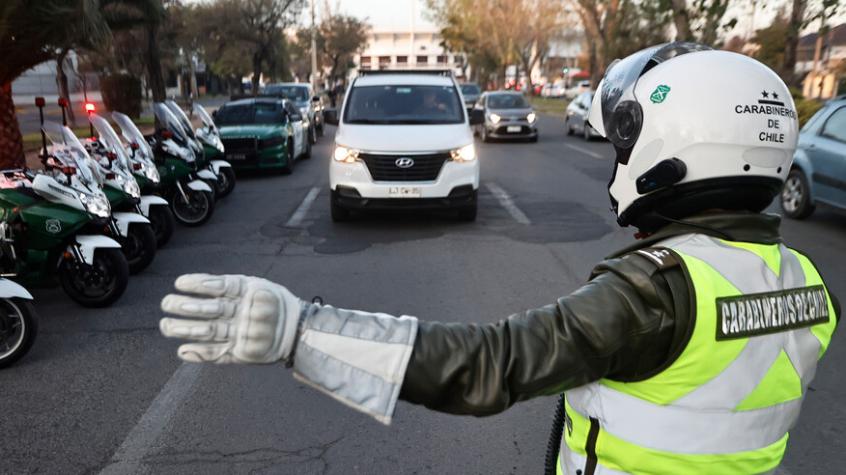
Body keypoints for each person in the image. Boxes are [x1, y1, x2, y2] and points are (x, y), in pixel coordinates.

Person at [159, 43, 840, 474]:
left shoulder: (655, 292)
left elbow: (491, 363)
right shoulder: (807, 284)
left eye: (625, 142)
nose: (619, 158)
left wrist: (300, 332)